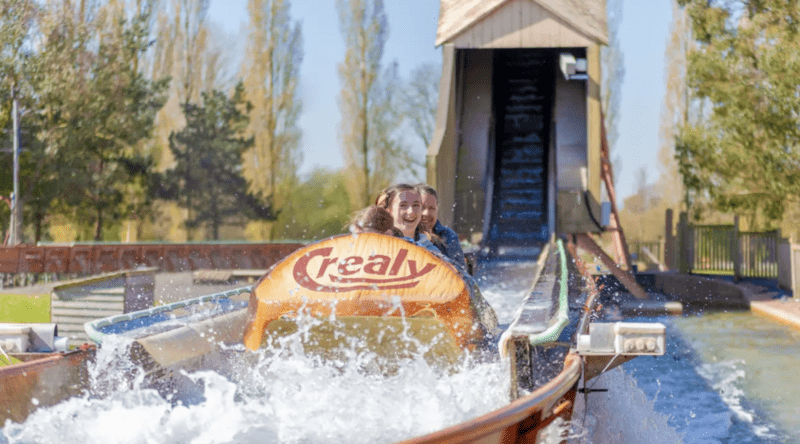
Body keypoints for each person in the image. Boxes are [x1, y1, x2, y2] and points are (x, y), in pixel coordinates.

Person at [375, 184, 439, 253]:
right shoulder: (378, 245)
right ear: (389, 212)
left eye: (415, 205)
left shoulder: (431, 251)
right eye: (403, 205)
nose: (411, 212)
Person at [415, 184, 467, 269]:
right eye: (422, 207)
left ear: (437, 209)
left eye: (432, 208)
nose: (426, 213)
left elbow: (460, 271)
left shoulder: (448, 235)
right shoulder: (407, 235)